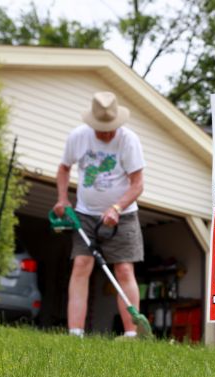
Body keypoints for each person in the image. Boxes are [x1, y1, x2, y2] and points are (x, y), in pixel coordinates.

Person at [53, 91, 145, 338]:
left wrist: (117, 207)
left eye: (110, 128)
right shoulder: (78, 137)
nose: (106, 133)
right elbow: (63, 169)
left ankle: (131, 335)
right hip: (85, 213)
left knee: (124, 269)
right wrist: (62, 198)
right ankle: (75, 332)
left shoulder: (129, 140)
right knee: (81, 265)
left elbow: (137, 183)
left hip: (123, 215)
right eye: (101, 128)